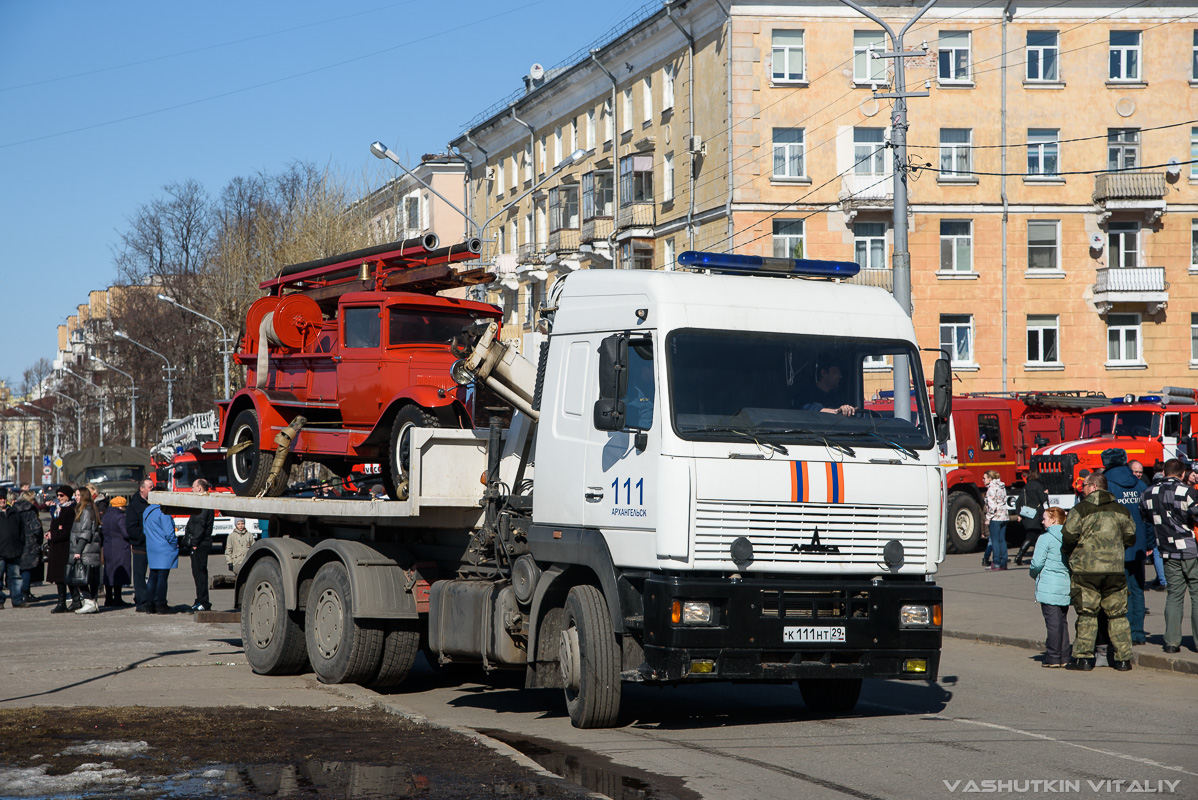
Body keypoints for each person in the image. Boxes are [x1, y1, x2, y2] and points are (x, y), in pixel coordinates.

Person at [1062, 472, 1137, 671]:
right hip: (1114, 570)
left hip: (1086, 571)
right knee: (1118, 615)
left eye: (1084, 485)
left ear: (1094, 487)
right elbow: (1130, 537)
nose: (1082, 489)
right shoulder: (1121, 510)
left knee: (1087, 614)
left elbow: (1068, 537)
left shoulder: (1080, 509)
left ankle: (1084, 659)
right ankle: (1123, 660)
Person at [1138, 458, 1198, 654]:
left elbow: (1145, 518)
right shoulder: (1187, 492)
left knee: (1174, 595)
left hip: (1165, 549)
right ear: (1182, 474)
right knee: (1196, 596)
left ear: (1163, 473)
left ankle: (1172, 642)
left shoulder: (1147, 493)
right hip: (1190, 548)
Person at [1101, 448, 1151, 646]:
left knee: (1117, 592)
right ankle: (1137, 632)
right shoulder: (1140, 484)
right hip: (1137, 544)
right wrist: (1149, 542)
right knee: (1137, 589)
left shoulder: (1106, 484)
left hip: (1114, 546)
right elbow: (1148, 518)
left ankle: (1121, 634)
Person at [1030, 506, 1071, 667]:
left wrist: (1033, 575)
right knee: (1062, 621)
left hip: (1049, 585)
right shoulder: (1068, 537)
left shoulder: (1045, 538)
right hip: (1065, 584)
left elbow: (1037, 563)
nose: (1042, 521)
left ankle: (1053, 656)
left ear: (1053, 520)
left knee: (1053, 623)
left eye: (1045, 518)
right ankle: (1065, 656)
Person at [68, 486, 102, 614]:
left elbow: (85, 533)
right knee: (90, 577)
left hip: (85, 550)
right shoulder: (88, 509)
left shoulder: (86, 511)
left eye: (78, 495)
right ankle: (93, 602)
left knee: (80, 576)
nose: (75, 497)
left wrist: (78, 550)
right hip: (90, 550)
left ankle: (89, 601)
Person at [142, 499, 179, 615]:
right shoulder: (163, 512)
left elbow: (144, 530)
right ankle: (161, 604)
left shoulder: (147, 511)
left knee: (153, 576)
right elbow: (169, 533)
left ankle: (150, 604)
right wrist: (175, 544)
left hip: (152, 547)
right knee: (162, 578)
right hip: (164, 548)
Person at [183, 479, 214, 612]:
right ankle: (199, 599)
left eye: (193, 486)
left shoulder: (203, 503)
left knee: (200, 575)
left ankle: (204, 602)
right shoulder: (201, 502)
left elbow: (200, 524)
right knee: (197, 574)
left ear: (200, 489)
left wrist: (194, 543)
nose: (191, 489)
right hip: (199, 543)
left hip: (200, 545)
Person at [46, 485, 77, 613]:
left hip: (64, 547)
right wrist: (50, 532)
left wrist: (55, 534)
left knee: (66, 575)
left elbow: (67, 530)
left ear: (68, 496)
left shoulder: (70, 510)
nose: (59, 498)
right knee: (59, 577)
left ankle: (75, 601)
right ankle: (62, 601)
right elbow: (55, 525)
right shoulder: (59, 509)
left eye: (62, 495)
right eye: (58, 495)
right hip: (56, 547)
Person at [127, 478, 153, 612]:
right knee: (139, 576)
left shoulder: (155, 503)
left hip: (154, 547)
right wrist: (145, 536)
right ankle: (141, 602)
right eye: (149, 487)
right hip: (140, 547)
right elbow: (131, 528)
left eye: (153, 487)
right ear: (142, 489)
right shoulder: (134, 506)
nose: (152, 489)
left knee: (155, 575)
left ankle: (153, 600)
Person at [101, 495, 132, 607]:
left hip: (108, 546)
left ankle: (108, 598)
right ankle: (118, 598)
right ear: (120, 507)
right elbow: (126, 533)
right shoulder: (120, 517)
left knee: (109, 573)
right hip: (120, 547)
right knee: (119, 573)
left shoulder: (105, 516)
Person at [1014, 470, 1049, 566]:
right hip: (1037, 515)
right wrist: (1046, 494)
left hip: (1028, 514)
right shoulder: (1038, 486)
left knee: (1034, 536)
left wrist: (1019, 514)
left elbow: (1018, 502)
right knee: (1033, 536)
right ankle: (1019, 556)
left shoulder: (1025, 487)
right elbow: (1043, 499)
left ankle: (1035, 556)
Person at [14, 490, 44, 604]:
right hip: (29, 543)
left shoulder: (13, 510)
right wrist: (39, 540)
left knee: (17, 570)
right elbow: (36, 528)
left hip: (16, 543)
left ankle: (17, 593)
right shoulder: (30, 511)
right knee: (27, 568)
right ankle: (25, 592)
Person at [0, 492, 24, 608]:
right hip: (0, 552)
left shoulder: (14, 512)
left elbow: (21, 529)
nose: (2, 501)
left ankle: (17, 600)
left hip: (14, 550)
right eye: (0, 499)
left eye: (3, 499)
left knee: (15, 577)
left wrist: (21, 544)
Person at [983, 470, 1009, 570]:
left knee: (995, 541)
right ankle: (1004, 563)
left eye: (984, 478)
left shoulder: (991, 489)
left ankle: (996, 562)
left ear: (990, 478)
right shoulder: (1002, 486)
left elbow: (992, 506)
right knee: (1002, 540)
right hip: (1004, 516)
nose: (983, 480)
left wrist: (988, 518)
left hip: (996, 517)